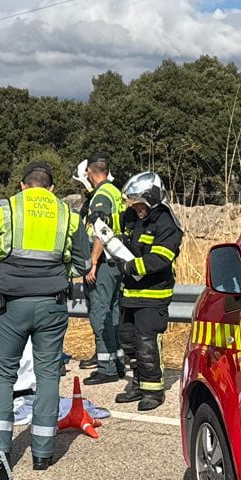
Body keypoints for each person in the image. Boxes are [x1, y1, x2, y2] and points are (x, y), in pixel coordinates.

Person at [0, 160, 80, 472]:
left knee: (4, 374)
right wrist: (62, 270)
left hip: (12, 304)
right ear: (51, 188)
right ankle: (43, 453)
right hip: (53, 303)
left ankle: (0, 452)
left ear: (21, 185)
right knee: (47, 374)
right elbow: (84, 264)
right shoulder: (68, 214)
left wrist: (3, 266)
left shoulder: (3, 209)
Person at [103, 171, 181, 413]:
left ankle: (153, 391)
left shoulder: (167, 223)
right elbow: (119, 230)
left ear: (152, 198)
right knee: (128, 340)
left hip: (153, 295)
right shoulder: (134, 218)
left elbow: (159, 259)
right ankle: (138, 383)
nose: (134, 207)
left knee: (147, 343)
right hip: (130, 293)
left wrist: (129, 266)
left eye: (138, 202)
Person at [76, 156, 127, 384]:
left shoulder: (102, 195)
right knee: (113, 311)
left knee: (99, 312)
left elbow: (101, 229)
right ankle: (117, 362)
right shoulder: (116, 192)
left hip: (104, 261)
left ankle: (106, 366)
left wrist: (92, 262)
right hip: (117, 260)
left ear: (89, 172)